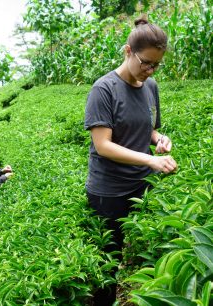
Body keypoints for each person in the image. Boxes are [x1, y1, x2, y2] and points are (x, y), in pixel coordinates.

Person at [84, 16, 177, 305]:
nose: (150, 70)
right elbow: (103, 146)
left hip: (141, 187)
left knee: (143, 255)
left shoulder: (150, 87)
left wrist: (159, 140)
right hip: (109, 192)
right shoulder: (104, 89)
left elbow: (147, 128)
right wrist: (149, 161)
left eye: (156, 65)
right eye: (145, 62)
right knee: (107, 265)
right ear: (128, 51)